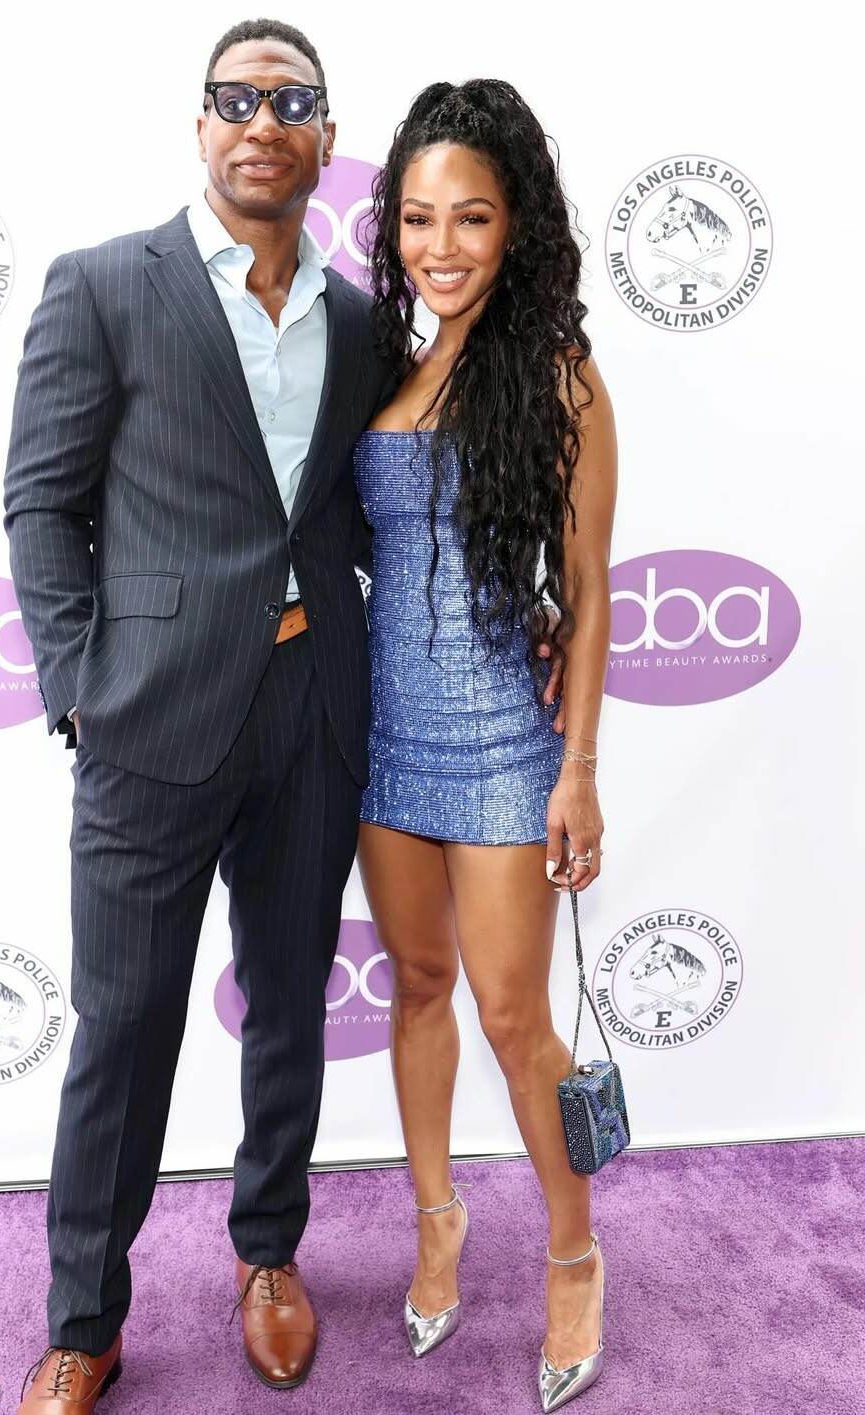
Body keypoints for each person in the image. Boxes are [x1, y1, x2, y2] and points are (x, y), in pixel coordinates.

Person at [3, 20, 392, 1410]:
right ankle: (83, 1319)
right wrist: (79, 688)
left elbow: (359, 509)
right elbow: (41, 505)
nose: (260, 122)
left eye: (290, 102)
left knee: (289, 1001)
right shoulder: (107, 284)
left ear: (325, 139)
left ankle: (268, 1253)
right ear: (201, 125)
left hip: (312, 709)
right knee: (121, 1027)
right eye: (235, 99)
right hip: (149, 723)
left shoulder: (362, 320)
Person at [353, 80, 616, 1412]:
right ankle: (437, 1221)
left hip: (509, 745)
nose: (440, 244)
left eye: (470, 216)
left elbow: (590, 588)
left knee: (515, 1020)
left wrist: (578, 769)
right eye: (417, 218)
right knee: (416, 986)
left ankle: (574, 1254)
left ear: (516, 226)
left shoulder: (560, 376)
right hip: (384, 741)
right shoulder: (386, 366)